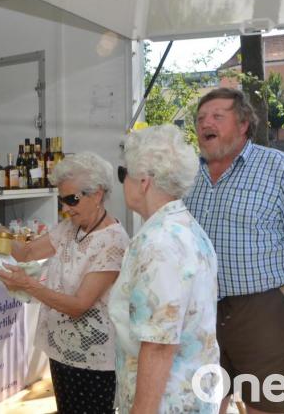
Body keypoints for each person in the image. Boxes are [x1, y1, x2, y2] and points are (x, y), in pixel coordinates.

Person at [184, 87, 284, 414]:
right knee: (205, 404)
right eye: (200, 119)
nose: (204, 124)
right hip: (201, 310)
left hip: (265, 310)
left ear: (243, 125)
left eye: (216, 117)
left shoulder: (278, 167)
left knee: (266, 406)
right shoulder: (188, 173)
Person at [0, 151, 130, 414]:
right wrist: (2, 242)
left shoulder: (113, 242)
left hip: (93, 360)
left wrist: (30, 285)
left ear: (97, 194)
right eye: (61, 200)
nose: (65, 208)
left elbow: (79, 305)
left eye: (71, 200)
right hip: (60, 350)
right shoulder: (71, 228)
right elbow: (30, 252)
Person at [108, 124, 220, 413]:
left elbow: (159, 344)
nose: (122, 183)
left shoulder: (160, 243)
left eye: (124, 174)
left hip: (167, 401)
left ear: (143, 181)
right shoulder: (183, 226)